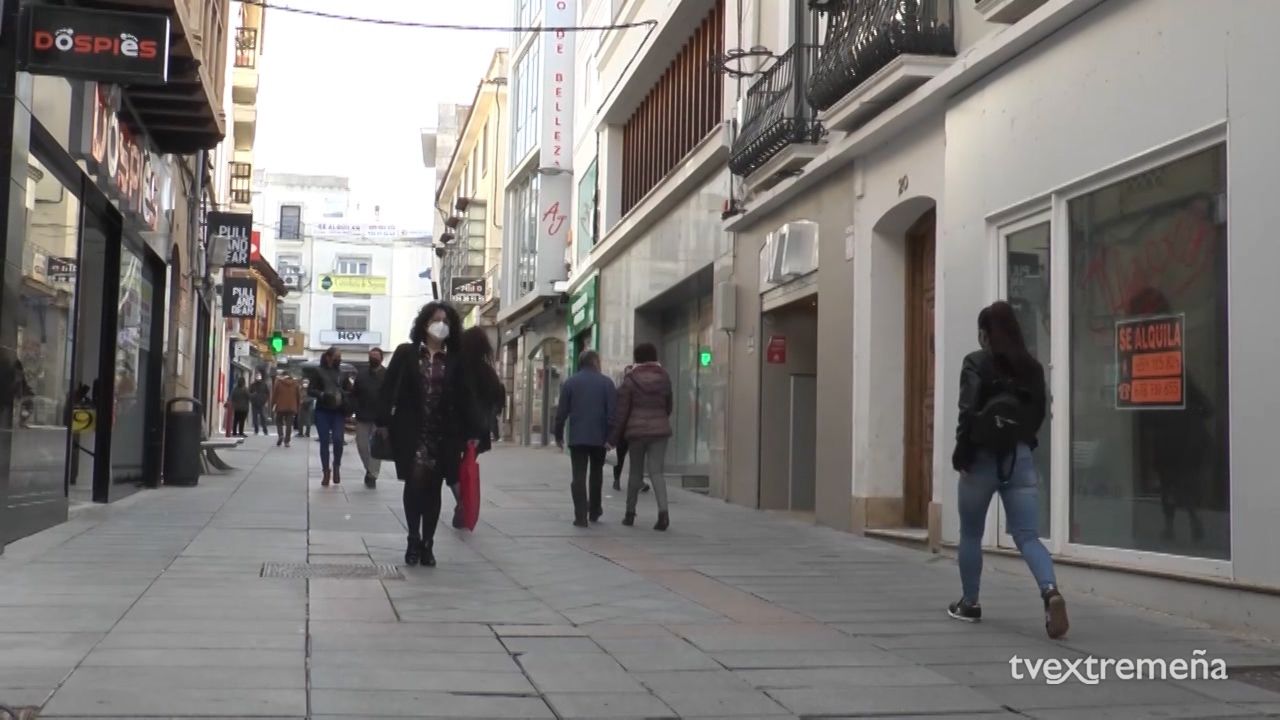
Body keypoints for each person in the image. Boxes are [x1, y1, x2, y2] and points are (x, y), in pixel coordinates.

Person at [950, 300, 1068, 639]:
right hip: (1019, 458)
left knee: (971, 533)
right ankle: (1050, 592)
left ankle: (969, 603)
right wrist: (1022, 440)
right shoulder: (1031, 368)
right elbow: (1039, 416)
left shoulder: (976, 362)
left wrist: (962, 454)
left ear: (985, 334)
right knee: (1028, 537)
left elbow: (967, 412)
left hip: (981, 458)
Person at [378, 302, 486, 567]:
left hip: (445, 434)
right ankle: (413, 538)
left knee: (434, 489)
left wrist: (475, 431)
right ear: (425, 324)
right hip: (412, 431)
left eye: (446, 321)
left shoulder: (455, 359)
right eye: (436, 319)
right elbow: (388, 388)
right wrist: (382, 421)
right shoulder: (407, 354)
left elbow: (467, 397)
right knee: (414, 485)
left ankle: (428, 543)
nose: (441, 325)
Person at [608, 343, 674, 531]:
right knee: (657, 472)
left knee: (635, 472)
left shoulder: (630, 379)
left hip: (636, 432)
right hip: (660, 431)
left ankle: (630, 514)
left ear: (636, 358)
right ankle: (663, 514)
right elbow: (669, 405)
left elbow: (622, 412)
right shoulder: (665, 377)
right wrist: (660, 418)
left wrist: (613, 438)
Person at [555, 351, 616, 527]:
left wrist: (558, 435)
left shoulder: (570, 383)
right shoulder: (607, 383)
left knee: (578, 476)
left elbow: (561, 413)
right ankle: (595, 510)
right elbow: (613, 414)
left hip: (578, 437)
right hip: (600, 438)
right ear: (596, 362)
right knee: (596, 475)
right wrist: (611, 437)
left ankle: (580, 515)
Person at [307, 348, 352, 486]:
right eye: (337, 356)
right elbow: (310, 390)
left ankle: (336, 465)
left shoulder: (342, 374)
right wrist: (322, 395)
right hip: (323, 411)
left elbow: (348, 391)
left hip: (338, 411)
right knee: (324, 441)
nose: (339, 359)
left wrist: (343, 394)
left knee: (338, 440)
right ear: (328, 357)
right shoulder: (318, 371)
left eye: (340, 356)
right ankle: (326, 471)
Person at [610, 365, 649, 495]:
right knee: (628, 458)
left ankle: (630, 481)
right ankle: (619, 480)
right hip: (629, 430)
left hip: (628, 430)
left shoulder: (621, 390)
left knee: (630, 458)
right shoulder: (631, 391)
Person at [353, 347, 388, 488]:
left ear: (381, 358)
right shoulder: (361, 375)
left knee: (375, 447)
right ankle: (370, 469)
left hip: (379, 418)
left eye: (376, 356)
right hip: (362, 415)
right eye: (371, 355)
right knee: (361, 445)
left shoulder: (387, 375)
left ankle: (372, 474)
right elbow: (354, 394)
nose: (373, 358)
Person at [271, 373, 302, 448]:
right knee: (289, 424)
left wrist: (273, 405)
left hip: (280, 406)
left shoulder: (278, 382)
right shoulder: (295, 384)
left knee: (278, 421)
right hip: (291, 407)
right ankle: (287, 441)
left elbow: (274, 395)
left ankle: (281, 435)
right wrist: (297, 407)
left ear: (283, 376)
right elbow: (298, 396)